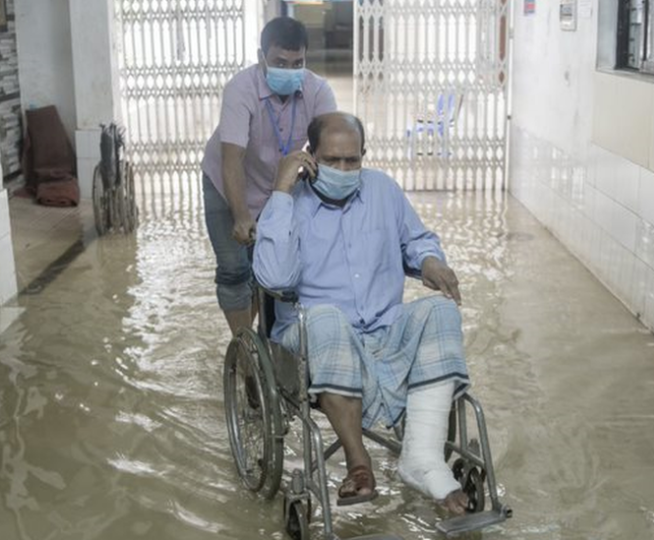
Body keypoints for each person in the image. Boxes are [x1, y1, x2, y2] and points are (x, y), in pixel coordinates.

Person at [253, 112, 472, 514]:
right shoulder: (290, 204)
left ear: (363, 157)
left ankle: (421, 457)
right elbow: (273, 276)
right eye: (331, 160)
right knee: (326, 319)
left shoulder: (383, 192)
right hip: (311, 333)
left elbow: (417, 241)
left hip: (381, 327)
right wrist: (281, 190)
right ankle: (359, 464)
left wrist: (430, 263)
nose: (342, 169)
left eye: (351, 160)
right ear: (310, 157)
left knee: (441, 312)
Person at [202, 17, 338, 335]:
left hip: (277, 186)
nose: (289, 70)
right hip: (227, 182)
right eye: (279, 62)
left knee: (276, 267)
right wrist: (240, 216)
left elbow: (330, 143)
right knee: (235, 269)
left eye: (297, 63)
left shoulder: (317, 90)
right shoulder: (241, 88)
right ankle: (243, 345)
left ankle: (263, 337)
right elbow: (232, 158)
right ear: (262, 56)